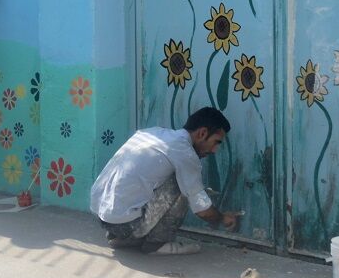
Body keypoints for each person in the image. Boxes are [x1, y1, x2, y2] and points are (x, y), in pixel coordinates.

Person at [90, 107, 240, 255]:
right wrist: (222, 217)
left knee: (171, 180)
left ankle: (121, 237)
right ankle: (157, 244)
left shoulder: (152, 133)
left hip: (102, 216)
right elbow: (202, 209)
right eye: (216, 142)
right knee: (186, 185)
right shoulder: (184, 152)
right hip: (126, 224)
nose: (214, 150)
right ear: (202, 133)